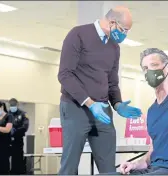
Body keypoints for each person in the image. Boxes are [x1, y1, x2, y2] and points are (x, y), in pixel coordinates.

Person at [58, 5, 142, 175]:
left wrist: (118, 104)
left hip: (102, 111)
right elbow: (65, 75)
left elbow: (112, 82)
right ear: (112, 22)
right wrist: (89, 103)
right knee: (70, 165)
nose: (125, 34)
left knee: (108, 166)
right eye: (124, 30)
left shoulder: (114, 47)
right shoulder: (78, 34)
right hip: (76, 107)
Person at [104, 40, 168, 175]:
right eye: (145, 68)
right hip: (154, 170)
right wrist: (135, 164)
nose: (149, 71)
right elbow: (154, 150)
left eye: (153, 65)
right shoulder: (152, 110)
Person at [8, 98, 29, 175]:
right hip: (7, 140)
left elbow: (25, 127)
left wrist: (15, 130)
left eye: (13, 105)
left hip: (18, 140)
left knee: (18, 160)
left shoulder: (23, 114)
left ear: (17, 105)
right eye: (11, 105)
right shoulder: (7, 114)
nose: (12, 107)